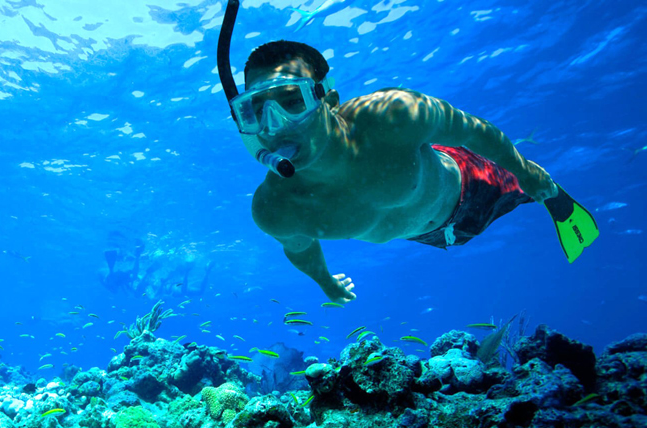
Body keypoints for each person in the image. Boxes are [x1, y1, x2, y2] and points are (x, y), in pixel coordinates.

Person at [215, 3, 598, 304]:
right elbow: (299, 247)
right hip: (430, 236)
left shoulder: (393, 116)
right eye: (255, 110)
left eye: (290, 101)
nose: (274, 124)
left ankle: (548, 192)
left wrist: (522, 169)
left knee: (530, 186)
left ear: (328, 99)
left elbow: (471, 130)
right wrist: (327, 283)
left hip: (472, 185)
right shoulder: (274, 209)